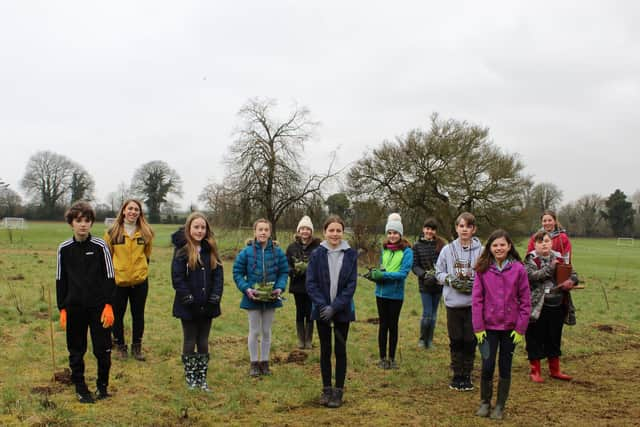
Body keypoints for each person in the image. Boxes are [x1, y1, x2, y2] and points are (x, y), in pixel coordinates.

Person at [56, 201, 116, 403]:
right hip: (74, 308)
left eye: (87, 220)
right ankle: (80, 387)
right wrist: (62, 307)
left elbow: (110, 276)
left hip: (99, 307)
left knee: (102, 349)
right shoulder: (64, 249)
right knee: (76, 349)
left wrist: (109, 304)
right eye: (78, 220)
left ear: (91, 223)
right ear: (71, 223)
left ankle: (103, 386)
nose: (83, 225)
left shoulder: (100, 246)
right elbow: (60, 278)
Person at [472, 230, 531, 420]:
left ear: (509, 246)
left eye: (502, 245)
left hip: (510, 330)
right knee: (487, 365)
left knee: (505, 366)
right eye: (495, 245)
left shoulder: (519, 269)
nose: (499, 248)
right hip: (488, 329)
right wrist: (478, 327)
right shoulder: (482, 269)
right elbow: (477, 300)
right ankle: (484, 402)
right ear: (490, 248)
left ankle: (500, 405)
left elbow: (525, 301)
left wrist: (520, 328)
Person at [306, 215, 358, 408]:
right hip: (321, 311)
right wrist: (323, 306)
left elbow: (351, 285)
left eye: (338, 230)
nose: (335, 234)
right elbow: (310, 283)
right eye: (331, 230)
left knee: (341, 350)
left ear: (342, 233)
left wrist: (335, 307)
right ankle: (327, 389)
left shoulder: (351, 255)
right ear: (324, 232)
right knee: (326, 350)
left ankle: (339, 391)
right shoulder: (317, 254)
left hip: (342, 311)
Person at [171, 212, 223, 391]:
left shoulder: (211, 250)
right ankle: (191, 377)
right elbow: (177, 278)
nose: (200, 231)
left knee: (203, 341)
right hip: (188, 306)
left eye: (203, 227)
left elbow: (218, 276)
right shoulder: (182, 251)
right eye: (196, 227)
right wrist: (189, 300)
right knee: (189, 340)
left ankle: (202, 378)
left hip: (208, 305)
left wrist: (215, 298)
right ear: (189, 228)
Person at [233, 218, 289, 377]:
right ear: (255, 232)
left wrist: (279, 287)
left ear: (270, 232)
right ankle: (253, 363)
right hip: (253, 298)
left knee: (266, 330)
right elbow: (237, 272)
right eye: (260, 230)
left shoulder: (278, 252)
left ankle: (264, 362)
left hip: (271, 298)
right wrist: (246, 289)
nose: (263, 232)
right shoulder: (246, 252)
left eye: (266, 230)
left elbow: (284, 272)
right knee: (255, 330)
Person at [435, 212, 483, 391]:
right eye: (461, 226)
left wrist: (476, 283)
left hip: (473, 303)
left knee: (470, 339)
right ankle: (457, 374)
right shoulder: (447, 250)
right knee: (456, 339)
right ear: (456, 228)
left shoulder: (482, 250)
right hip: (453, 303)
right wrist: (449, 279)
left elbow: (487, 272)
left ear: (473, 229)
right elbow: (438, 272)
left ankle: (467, 373)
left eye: (468, 226)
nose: (464, 229)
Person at [525, 230, 579, 384]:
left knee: (554, 337)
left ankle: (555, 370)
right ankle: (535, 371)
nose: (544, 244)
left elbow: (574, 273)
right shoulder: (530, 259)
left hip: (557, 304)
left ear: (551, 243)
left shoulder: (560, 257)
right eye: (540, 242)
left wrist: (572, 281)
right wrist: (550, 267)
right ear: (535, 244)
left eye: (547, 241)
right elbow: (533, 277)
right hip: (537, 306)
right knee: (535, 337)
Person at [104, 199, 154, 361]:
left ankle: (137, 348)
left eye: (136, 209)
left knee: (138, 315)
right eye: (130, 208)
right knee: (117, 316)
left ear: (140, 213)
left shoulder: (146, 233)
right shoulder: (112, 232)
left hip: (139, 282)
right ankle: (120, 347)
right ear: (124, 211)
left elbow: (147, 255)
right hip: (118, 282)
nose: (133, 212)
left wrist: (140, 271)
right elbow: (107, 257)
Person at [366, 213, 413, 369]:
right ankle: (382, 358)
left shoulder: (407, 252)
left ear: (400, 234)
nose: (392, 236)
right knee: (382, 325)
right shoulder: (384, 249)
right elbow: (382, 268)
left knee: (392, 326)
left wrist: (384, 275)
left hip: (395, 295)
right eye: (390, 233)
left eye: (395, 233)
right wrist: (375, 275)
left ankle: (392, 359)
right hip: (380, 293)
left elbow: (403, 274)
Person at [286, 215, 321, 349]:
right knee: (300, 311)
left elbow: (322, 264)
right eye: (302, 229)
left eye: (307, 229)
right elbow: (286, 264)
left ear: (311, 231)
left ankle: (309, 339)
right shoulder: (292, 247)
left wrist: (311, 270)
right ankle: (301, 339)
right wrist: (294, 270)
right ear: (298, 231)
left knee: (310, 311)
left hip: (312, 285)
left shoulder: (318, 246)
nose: (305, 231)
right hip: (298, 285)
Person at [412, 218, 447, 349]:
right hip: (424, 285)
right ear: (423, 229)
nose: (429, 231)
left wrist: (438, 276)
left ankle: (430, 340)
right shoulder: (417, 246)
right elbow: (414, 266)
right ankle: (422, 339)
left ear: (435, 231)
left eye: (432, 229)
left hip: (438, 285)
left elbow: (445, 264)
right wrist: (425, 274)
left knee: (433, 315)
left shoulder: (441, 245)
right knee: (427, 313)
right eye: (427, 228)